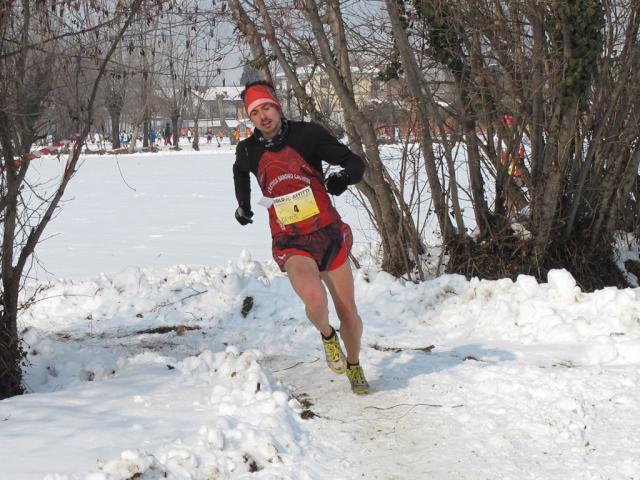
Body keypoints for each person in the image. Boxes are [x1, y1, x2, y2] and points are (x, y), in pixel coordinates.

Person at [232, 81, 369, 394]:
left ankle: (354, 363)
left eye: (267, 107)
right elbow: (239, 171)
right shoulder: (249, 150)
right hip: (291, 240)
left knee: (348, 311)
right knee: (314, 299)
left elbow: (355, 163)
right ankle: (326, 334)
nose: (263, 116)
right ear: (250, 118)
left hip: (328, 234)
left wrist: (343, 178)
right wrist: (243, 204)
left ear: (277, 106)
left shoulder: (308, 134)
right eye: (255, 112)